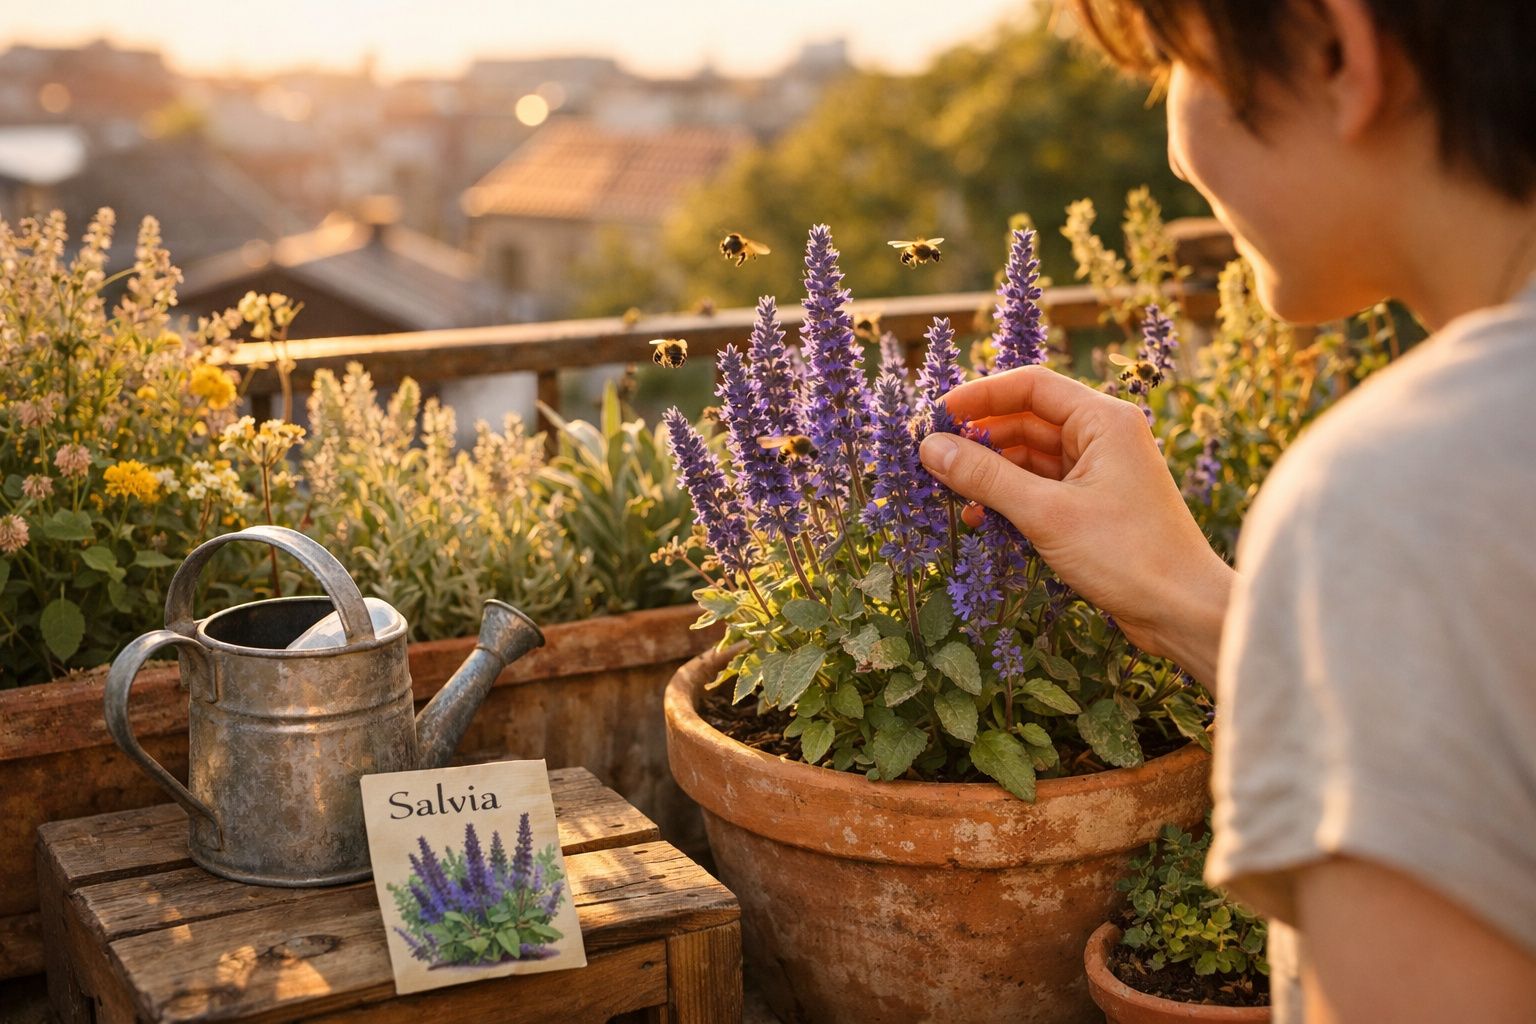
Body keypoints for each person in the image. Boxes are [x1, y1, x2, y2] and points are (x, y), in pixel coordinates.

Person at [917, 1, 1536, 1020]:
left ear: (1337, 49)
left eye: (1172, 64)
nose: (1171, 145)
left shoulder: (1402, 502)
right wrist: (1197, 605)